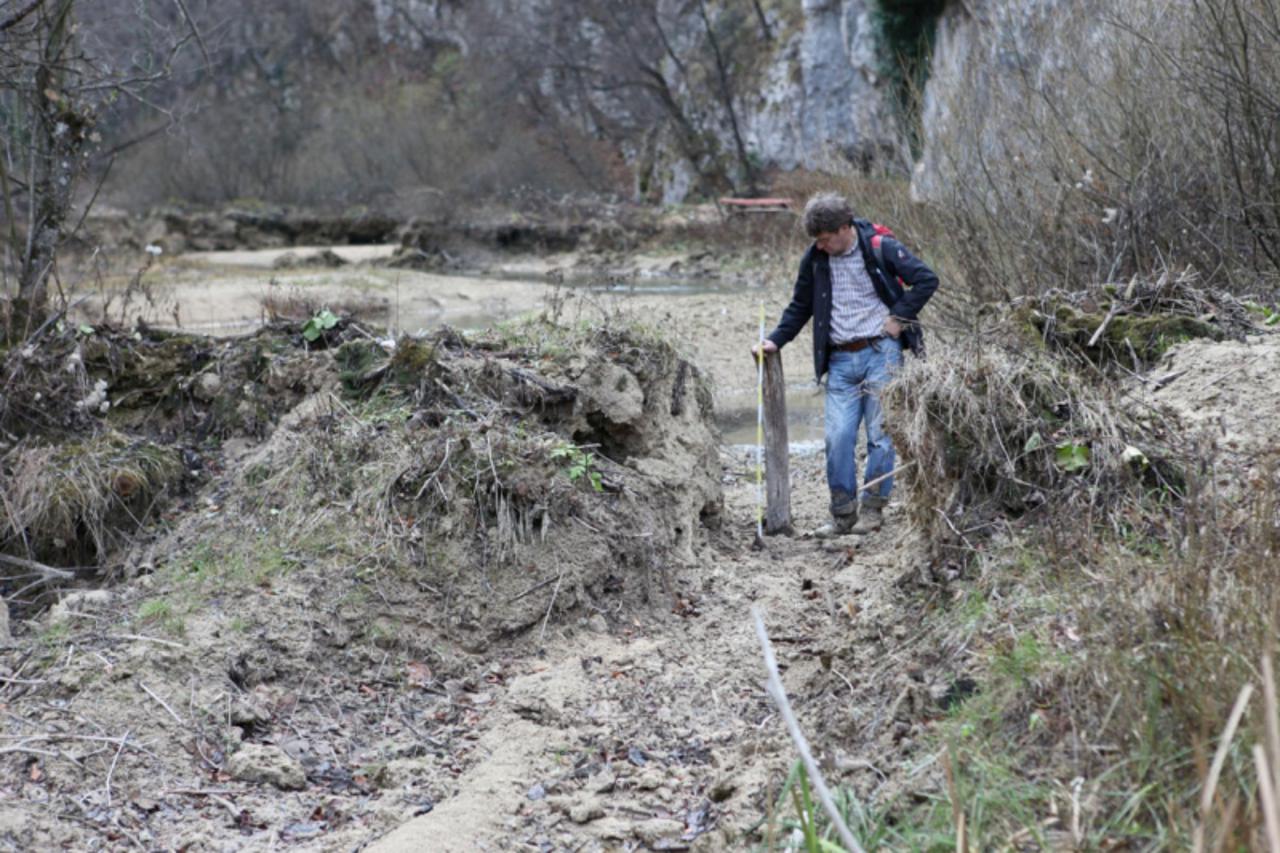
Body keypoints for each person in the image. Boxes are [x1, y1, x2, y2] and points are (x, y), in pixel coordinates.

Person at [753, 193, 938, 536]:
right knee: (838, 437)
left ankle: (873, 510)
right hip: (838, 359)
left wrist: (899, 317)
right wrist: (775, 340)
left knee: (881, 436)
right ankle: (842, 514)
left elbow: (927, 280)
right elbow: (800, 307)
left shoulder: (880, 246)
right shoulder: (815, 260)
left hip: (882, 352)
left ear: (843, 229)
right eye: (817, 241)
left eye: (825, 239)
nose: (821, 246)